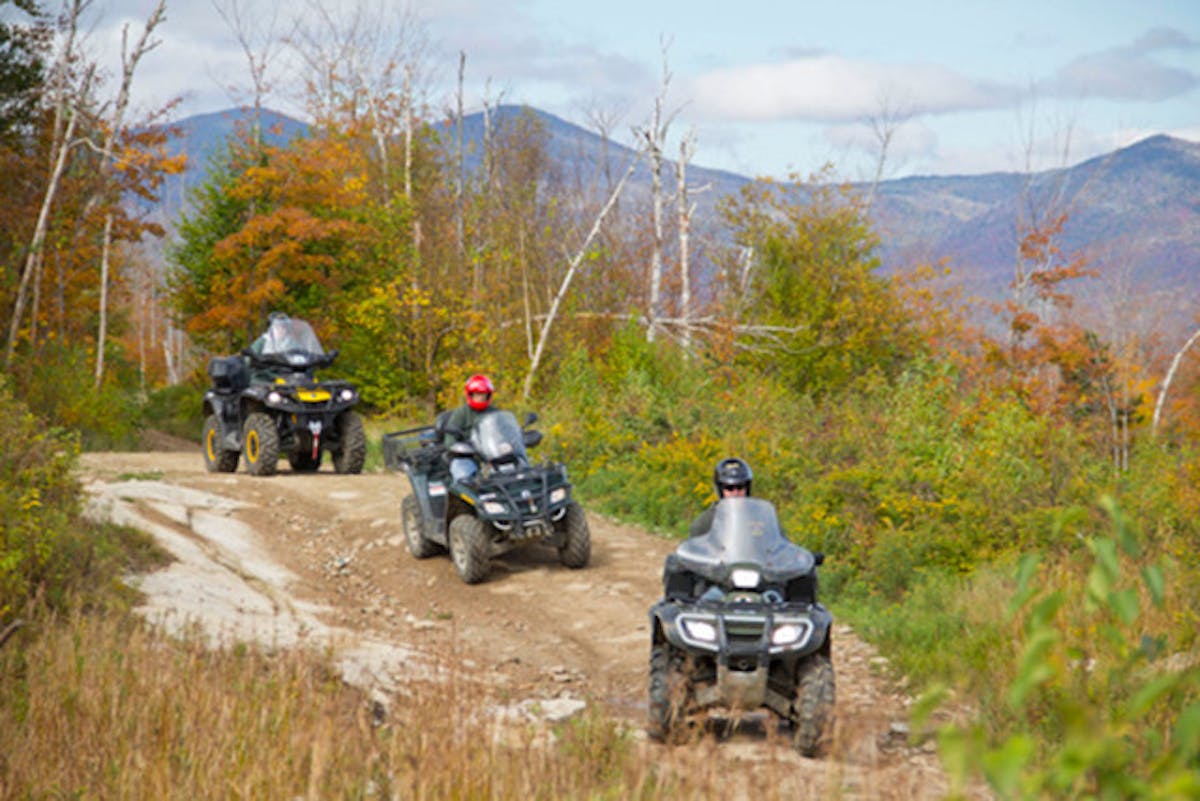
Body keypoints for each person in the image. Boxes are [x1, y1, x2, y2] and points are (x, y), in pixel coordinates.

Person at [442, 374, 496, 481]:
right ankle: (461, 496)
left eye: (484, 395)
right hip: (467, 457)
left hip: (492, 457)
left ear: (488, 396)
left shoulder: (494, 413)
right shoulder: (461, 413)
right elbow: (449, 439)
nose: (480, 398)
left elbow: (503, 432)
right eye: (477, 394)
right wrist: (462, 447)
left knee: (518, 469)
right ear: (470, 395)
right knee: (463, 476)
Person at [688, 456, 753, 537]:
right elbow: (694, 547)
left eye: (740, 487)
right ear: (720, 490)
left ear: (747, 488)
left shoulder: (758, 518)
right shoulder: (705, 522)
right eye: (729, 488)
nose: (735, 493)